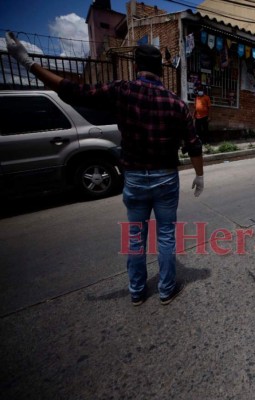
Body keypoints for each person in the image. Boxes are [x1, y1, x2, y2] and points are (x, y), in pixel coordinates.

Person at [6, 32, 205, 306]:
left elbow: (72, 90)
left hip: (134, 178)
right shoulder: (176, 103)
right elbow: (194, 144)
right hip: (165, 178)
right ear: (161, 70)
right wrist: (199, 175)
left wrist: (28, 63)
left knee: (136, 237)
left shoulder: (121, 90)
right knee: (167, 235)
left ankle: (136, 292)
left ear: (137, 67)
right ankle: (166, 290)